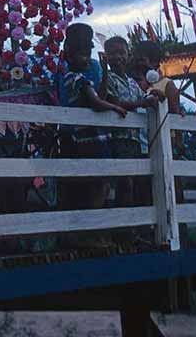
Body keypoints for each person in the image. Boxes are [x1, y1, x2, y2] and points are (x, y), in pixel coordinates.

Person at [59, 24, 128, 246]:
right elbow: (96, 101)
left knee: (100, 184)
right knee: (91, 186)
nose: (86, 58)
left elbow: (100, 93)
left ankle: (93, 232)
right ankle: (89, 234)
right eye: (81, 53)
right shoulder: (70, 75)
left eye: (87, 53)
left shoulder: (90, 71)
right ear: (69, 53)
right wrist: (114, 108)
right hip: (83, 137)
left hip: (94, 136)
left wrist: (106, 72)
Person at [101, 36, 156, 208]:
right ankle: (122, 231)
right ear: (106, 56)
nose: (118, 57)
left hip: (136, 140)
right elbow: (112, 101)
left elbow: (143, 100)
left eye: (121, 53)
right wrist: (143, 103)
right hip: (118, 138)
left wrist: (153, 98)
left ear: (128, 55)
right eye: (112, 53)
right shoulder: (107, 78)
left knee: (138, 183)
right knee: (125, 183)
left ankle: (135, 229)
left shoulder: (133, 83)